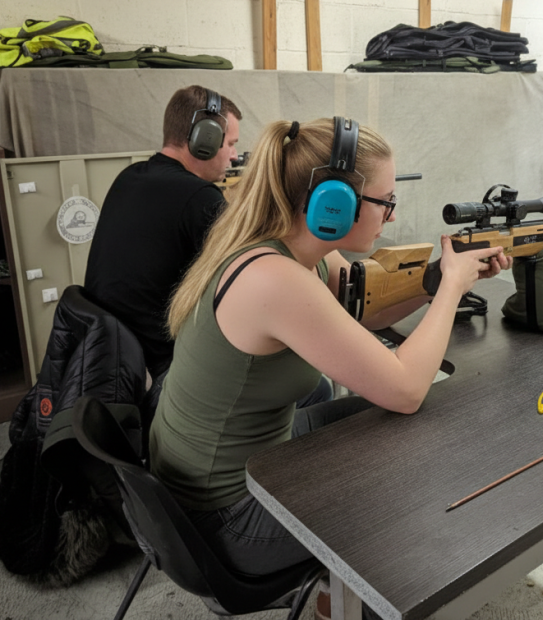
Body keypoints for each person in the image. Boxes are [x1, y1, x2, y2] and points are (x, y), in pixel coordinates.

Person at [149, 117, 511, 618]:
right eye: (385, 201)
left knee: (392, 427)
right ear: (332, 203)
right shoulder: (274, 279)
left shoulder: (285, 250)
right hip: (222, 522)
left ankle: (338, 592)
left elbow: (364, 310)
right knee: (419, 449)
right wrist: (452, 288)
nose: (390, 216)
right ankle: (354, 598)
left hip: (240, 468)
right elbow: (406, 388)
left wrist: (433, 281)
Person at [84, 85, 242, 379]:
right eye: (230, 143)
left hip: (111, 355)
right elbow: (244, 278)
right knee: (314, 387)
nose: (234, 156)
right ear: (203, 140)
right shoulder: (200, 197)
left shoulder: (129, 177)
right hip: (167, 366)